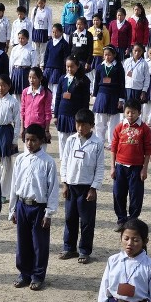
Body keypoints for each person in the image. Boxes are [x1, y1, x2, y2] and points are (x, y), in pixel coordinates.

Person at [8, 123, 57, 290]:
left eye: (33, 140)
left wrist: (48, 214)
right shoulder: (20, 159)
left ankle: (38, 275)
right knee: (23, 243)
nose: (29, 144)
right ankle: (24, 274)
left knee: (39, 244)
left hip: (39, 208)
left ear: (41, 141)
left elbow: (52, 189)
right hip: (22, 205)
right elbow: (14, 185)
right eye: (27, 140)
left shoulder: (48, 162)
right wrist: (12, 209)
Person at [59, 109, 104, 264]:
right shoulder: (71, 140)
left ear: (91, 125)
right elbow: (64, 162)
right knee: (70, 218)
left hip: (86, 188)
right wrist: (64, 183)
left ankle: (84, 250)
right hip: (71, 186)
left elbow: (99, 167)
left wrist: (94, 188)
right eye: (78, 124)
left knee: (86, 221)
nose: (80, 128)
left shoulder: (97, 143)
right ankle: (69, 247)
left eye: (84, 125)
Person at [111, 99, 151, 231]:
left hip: (136, 167)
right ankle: (121, 219)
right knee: (118, 194)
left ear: (139, 113)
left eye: (133, 113)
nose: (130, 115)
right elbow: (114, 148)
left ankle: (133, 220)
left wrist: (144, 169)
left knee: (135, 195)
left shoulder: (144, 129)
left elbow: (147, 150)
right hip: (120, 166)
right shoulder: (119, 127)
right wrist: (113, 167)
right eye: (128, 112)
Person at [0, 75, 21, 202]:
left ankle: (4, 193)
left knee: (6, 165)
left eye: (3, 85)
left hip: (6, 131)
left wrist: (14, 140)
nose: (0, 88)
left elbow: (17, 122)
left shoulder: (13, 101)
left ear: (9, 86)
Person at [53, 56, 91, 158]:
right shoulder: (62, 79)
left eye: (72, 67)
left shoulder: (84, 80)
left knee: (75, 138)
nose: (69, 69)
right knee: (62, 138)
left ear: (77, 66)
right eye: (67, 67)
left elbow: (86, 100)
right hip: (63, 114)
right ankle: (63, 159)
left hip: (75, 115)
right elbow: (57, 98)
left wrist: (84, 117)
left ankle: (72, 159)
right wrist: (56, 115)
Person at [92, 45, 126, 146]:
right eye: (105, 55)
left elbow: (122, 84)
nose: (107, 57)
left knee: (113, 121)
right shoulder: (100, 67)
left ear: (114, 55)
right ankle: (100, 141)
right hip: (101, 95)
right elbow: (96, 82)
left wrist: (121, 99)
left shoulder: (119, 68)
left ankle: (112, 142)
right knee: (100, 121)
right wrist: (95, 96)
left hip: (114, 95)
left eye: (109, 55)